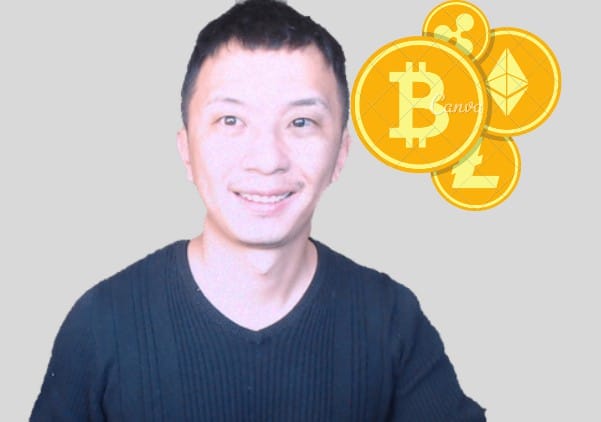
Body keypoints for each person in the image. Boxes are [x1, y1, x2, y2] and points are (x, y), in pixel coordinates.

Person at [30, 0, 486, 420]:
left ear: (341, 155)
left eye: (301, 122)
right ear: (186, 150)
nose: (267, 160)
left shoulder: (389, 320)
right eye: (231, 120)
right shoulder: (102, 322)